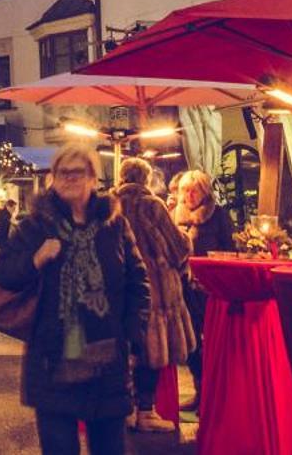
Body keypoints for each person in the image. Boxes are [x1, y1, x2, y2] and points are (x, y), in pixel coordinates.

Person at [0, 143, 149, 455]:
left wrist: (133, 337)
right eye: (63, 172)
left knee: (110, 448)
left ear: (93, 177)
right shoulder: (35, 225)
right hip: (53, 358)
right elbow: (2, 271)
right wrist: (34, 259)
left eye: (79, 172)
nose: (71, 179)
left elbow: (137, 283)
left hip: (108, 359)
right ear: (53, 178)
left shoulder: (114, 224)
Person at [111, 157, 194, 432]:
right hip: (154, 290)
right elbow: (177, 247)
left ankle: (123, 410)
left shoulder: (108, 205)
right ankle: (145, 412)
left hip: (116, 291)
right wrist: (186, 236)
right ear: (146, 179)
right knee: (151, 352)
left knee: (122, 350)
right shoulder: (152, 206)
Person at [171, 167, 235, 412]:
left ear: (204, 191)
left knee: (211, 341)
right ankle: (200, 389)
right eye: (185, 190)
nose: (188, 195)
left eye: (193, 190)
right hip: (183, 288)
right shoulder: (174, 215)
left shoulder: (217, 216)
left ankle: (215, 394)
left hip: (209, 289)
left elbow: (229, 249)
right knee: (189, 342)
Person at [0, 199, 15, 271]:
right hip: (0, 244)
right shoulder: (5, 216)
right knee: (0, 266)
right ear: (8, 207)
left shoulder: (2, 214)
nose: (13, 211)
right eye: (13, 208)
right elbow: (5, 232)